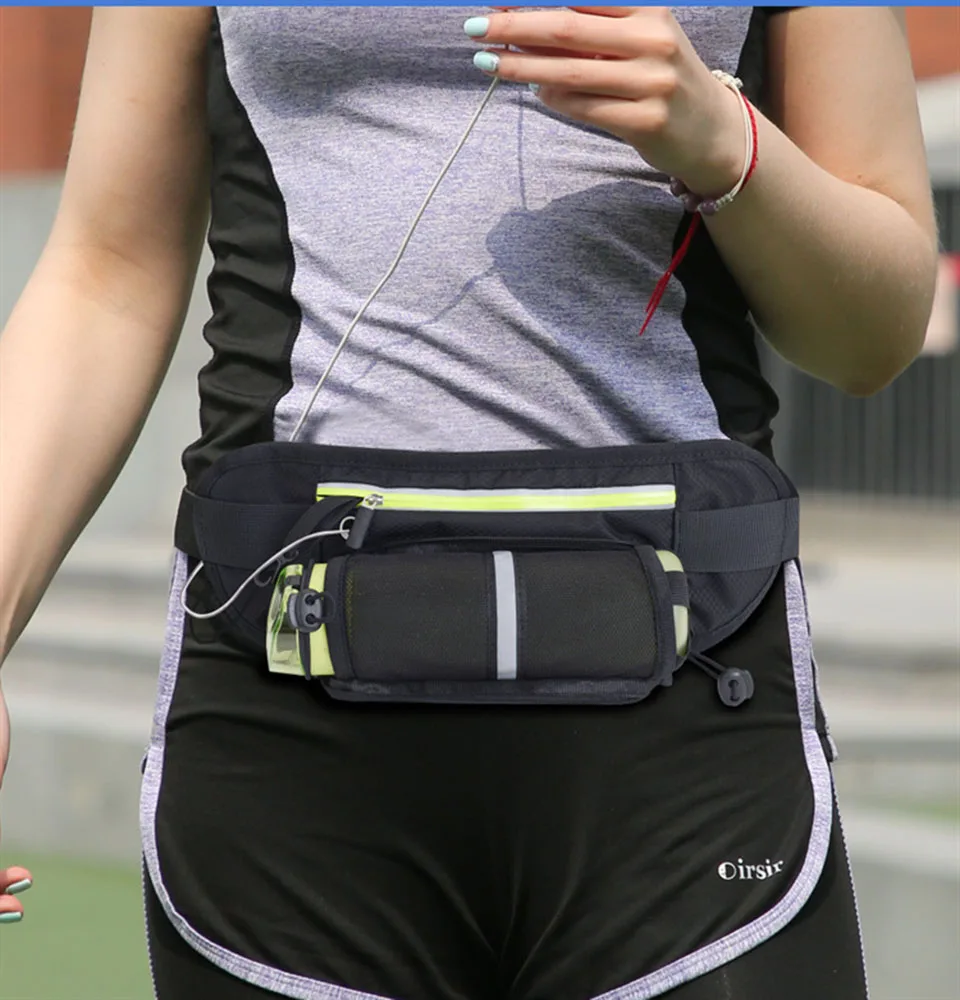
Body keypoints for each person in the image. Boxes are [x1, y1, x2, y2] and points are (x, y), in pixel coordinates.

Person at [0, 7, 937, 998]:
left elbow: (873, 337)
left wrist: (728, 143)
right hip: (288, 694)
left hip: (688, 687)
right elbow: (108, 271)